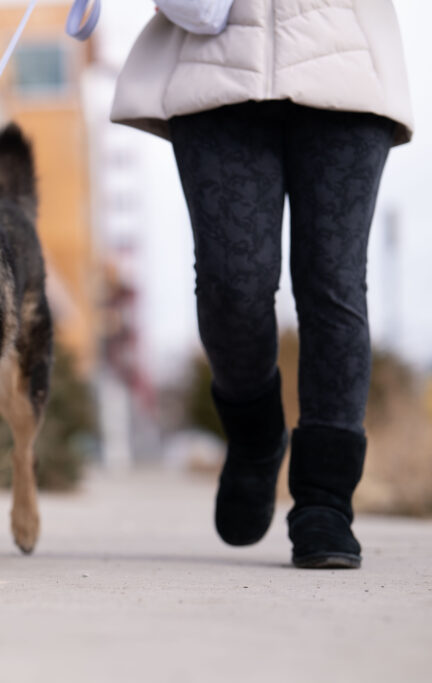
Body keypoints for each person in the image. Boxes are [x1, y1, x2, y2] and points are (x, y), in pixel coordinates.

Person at [110, 0, 413, 568]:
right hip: (216, 74)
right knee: (232, 286)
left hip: (344, 63)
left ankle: (325, 500)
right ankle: (255, 433)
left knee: (334, 284)